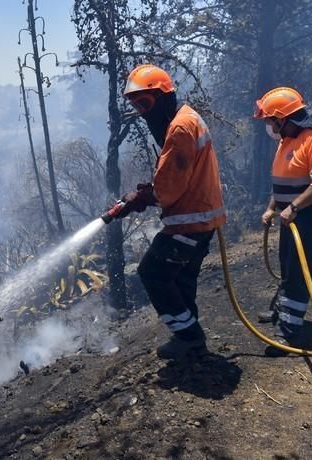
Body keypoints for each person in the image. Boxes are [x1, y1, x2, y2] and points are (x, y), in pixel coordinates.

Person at [116, 64, 226, 360]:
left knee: (152, 272)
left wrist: (139, 197)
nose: (141, 111)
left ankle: (189, 337)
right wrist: (145, 193)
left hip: (189, 221)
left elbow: (169, 189)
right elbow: (177, 175)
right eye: (136, 104)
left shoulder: (179, 128)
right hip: (201, 217)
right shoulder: (187, 117)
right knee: (181, 279)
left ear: (163, 96)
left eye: (145, 103)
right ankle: (191, 344)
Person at [254, 87, 312, 356]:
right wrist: (272, 208)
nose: (269, 126)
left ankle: (288, 332)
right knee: (287, 264)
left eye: (271, 120)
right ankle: (283, 312)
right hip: (293, 215)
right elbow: (285, 181)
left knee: (299, 271)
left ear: (284, 118)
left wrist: (293, 206)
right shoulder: (288, 138)